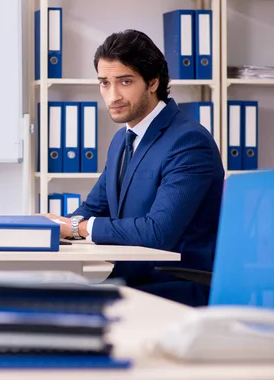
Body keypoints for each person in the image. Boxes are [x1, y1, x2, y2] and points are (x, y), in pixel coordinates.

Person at [41, 29, 225, 307]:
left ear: (153, 81)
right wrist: (46, 227)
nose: (112, 95)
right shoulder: (123, 139)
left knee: (56, 310)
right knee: (41, 298)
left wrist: (77, 228)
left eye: (124, 82)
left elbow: (157, 233)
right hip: (132, 283)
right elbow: (92, 209)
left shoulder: (188, 142)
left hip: (175, 287)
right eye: (104, 83)